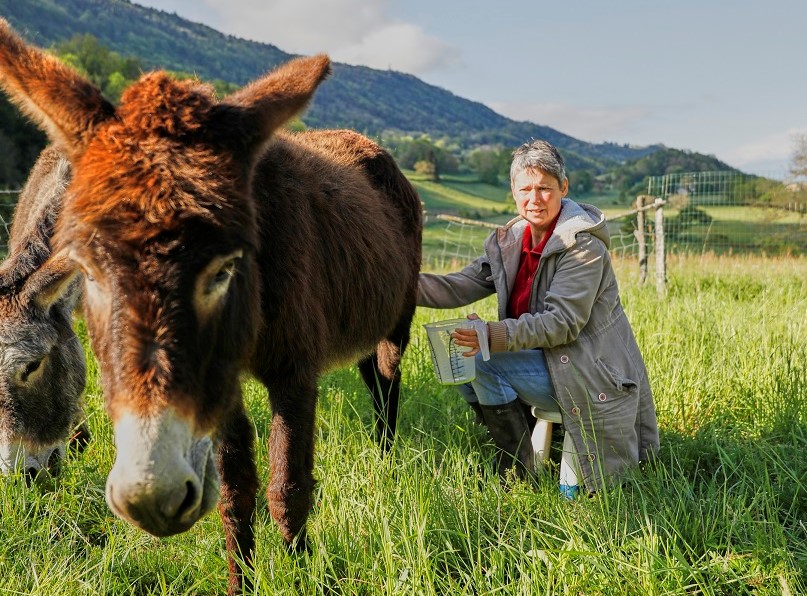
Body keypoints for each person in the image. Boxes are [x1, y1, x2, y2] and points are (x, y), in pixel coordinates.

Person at [418, 139, 659, 493]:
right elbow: (461, 285)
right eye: (526, 189)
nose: (535, 198)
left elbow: (561, 323)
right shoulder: (514, 240)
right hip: (549, 362)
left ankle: (516, 476)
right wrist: (396, 285)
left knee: (482, 362)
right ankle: (522, 457)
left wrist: (489, 335)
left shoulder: (582, 248)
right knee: (463, 361)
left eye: (545, 188)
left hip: (589, 371)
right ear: (513, 192)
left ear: (563, 187)